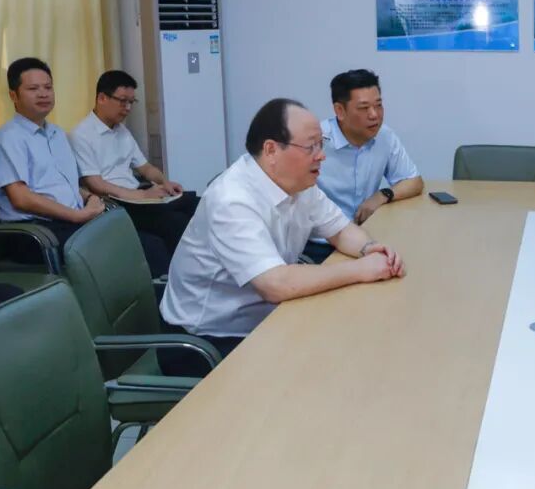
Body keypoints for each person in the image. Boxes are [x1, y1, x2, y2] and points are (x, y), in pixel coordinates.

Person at [159, 98, 406, 375]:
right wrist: (361, 270)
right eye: (311, 147)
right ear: (271, 150)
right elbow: (275, 284)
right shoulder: (231, 199)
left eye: (321, 144)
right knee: (324, 370)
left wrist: (370, 248)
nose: (321, 156)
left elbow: (339, 229)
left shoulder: (299, 183)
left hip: (266, 318)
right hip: (207, 342)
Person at [0, 58, 169, 274]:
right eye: (33, 89)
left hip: (71, 221)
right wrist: (75, 215)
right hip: (36, 232)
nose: (43, 94)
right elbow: (21, 197)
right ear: (14, 96)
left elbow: (68, 185)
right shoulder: (8, 137)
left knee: (151, 241)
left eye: (48, 87)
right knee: (142, 249)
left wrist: (90, 197)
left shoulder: (57, 134)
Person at [69, 69, 199, 255]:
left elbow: (145, 168)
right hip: (115, 203)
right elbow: (95, 184)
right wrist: (141, 195)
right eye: (123, 101)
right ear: (102, 98)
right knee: (175, 222)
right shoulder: (81, 135)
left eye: (131, 102)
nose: (128, 108)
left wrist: (165, 182)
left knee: (196, 204)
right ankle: (182, 270)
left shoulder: (121, 131)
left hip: (136, 196)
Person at [307, 69, 422, 261]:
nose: (374, 115)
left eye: (378, 105)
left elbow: (414, 181)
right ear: (339, 111)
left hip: (365, 238)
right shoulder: (314, 142)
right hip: (319, 245)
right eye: (364, 108)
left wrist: (382, 195)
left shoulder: (384, 136)